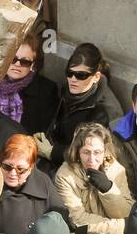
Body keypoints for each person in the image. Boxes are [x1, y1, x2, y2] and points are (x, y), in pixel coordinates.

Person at [54, 121, 133, 234]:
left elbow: (126, 211)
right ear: (77, 152)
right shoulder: (65, 175)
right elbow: (78, 218)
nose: (92, 159)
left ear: (105, 151)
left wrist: (108, 189)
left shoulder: (116, 170)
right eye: (86, 152)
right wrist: (120, 227)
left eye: (97, 152)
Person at [37, 42, 122, 170]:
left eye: (81, 75)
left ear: (96, 77)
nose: (73, 79)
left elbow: (99, 156)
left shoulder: (106, 110)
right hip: (56, 157)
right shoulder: (70, 90)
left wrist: (52, 152)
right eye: (69, 73)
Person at [0, 32, 58, 135]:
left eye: (25, 62)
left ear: (32, 65)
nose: (17, 64)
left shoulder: (46, 91)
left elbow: (41, 132)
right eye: (13, 59)